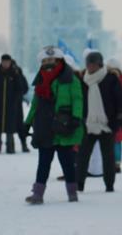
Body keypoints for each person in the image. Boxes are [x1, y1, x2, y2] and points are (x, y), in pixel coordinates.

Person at [24, 46, 84, 204]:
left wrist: (77, 117)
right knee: (43, 163)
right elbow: (35, 104)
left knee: (67, 164)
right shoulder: (41, 80)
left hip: (64, 127)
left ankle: (72, 194)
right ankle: (38, 195)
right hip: (44, 128)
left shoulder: (71, 78)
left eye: (51, 60)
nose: (48, 63)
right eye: (45, 61)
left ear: (59, 60)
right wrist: (27, 122)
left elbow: (78, 99)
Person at [76, 51, 122, 193]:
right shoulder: (83, 79)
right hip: (88, 124)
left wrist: (119, 118)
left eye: (93, 64)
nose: (90, 67)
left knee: (108, 157)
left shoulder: (110, 78)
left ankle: (109, 184)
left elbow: (120, 99)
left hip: (107, 124)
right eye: (88, 64)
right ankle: (79, 183)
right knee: (83, 156)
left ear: (99, 64)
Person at [0, 54, 29, 154]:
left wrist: (16, 98)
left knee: (11, 126)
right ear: (1, 62)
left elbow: (22, 88)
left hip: (12, 106)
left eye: (7, 62)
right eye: (4, 62)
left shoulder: (15, 74)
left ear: (10, 62)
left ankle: (10, 146)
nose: (5, 64)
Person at [106, 58, 122, 173]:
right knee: (118, 140)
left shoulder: (110, 79)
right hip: (120, 113)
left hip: (111, 113)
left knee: (112, 140)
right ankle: (117, 163)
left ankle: (113, 163)